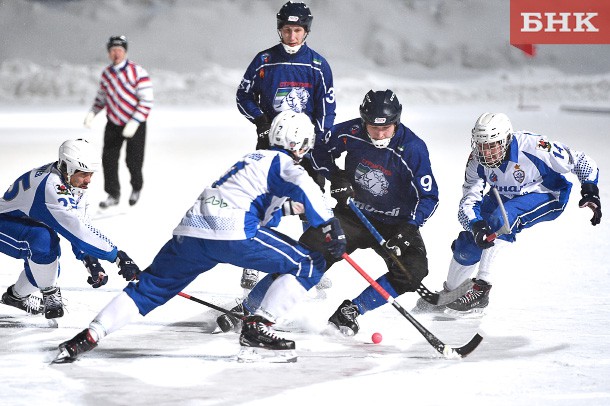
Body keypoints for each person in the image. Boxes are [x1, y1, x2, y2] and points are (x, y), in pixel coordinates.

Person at [53, 111, 347, 364]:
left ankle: (88, 336)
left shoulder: (251, 159)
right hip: (232, 231)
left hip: (192, 230)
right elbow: (305, 187)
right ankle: (258, 326)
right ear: (301, 144)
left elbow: (261, 208)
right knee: (309, 264)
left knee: (149, 288)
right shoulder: (284, 164)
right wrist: (330, 227)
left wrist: (289, 209)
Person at [222, 89, 439, 336]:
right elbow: (318, 148)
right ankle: (248, 308)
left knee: (412, 271)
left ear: (396, 122)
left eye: (386, 128)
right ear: (363, 121)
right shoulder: (352, 132)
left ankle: (352, 311)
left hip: (395, 225)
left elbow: (430, 197)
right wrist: (336, 175)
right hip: (352, 216)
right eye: (373, 127)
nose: (379, 134)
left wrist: (410, 227)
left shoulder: (412, 148)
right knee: (301, 258)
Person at [414, 112, 602, 316]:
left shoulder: (535, 146)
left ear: (506, 140)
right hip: (502, 196)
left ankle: (481, 289)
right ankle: (449, 295)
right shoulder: (476, 159)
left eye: (492, 145)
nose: (486, 152)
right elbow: (469, 199)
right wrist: (475, 224)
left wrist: (590, 190)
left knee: (502, 219)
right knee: (469, 243)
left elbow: (579, 160)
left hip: (544, 193)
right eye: (481, 145)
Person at [235, 1, 336, 290]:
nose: (292, 36)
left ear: (306, 32)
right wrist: (261, 121)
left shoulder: (317, 64)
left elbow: (327, 107)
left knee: (311, 202)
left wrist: (321, 140)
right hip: (272, 144)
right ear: (280, 30)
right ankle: (253, 263)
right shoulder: (265, 60)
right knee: (265, 202)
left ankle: (311, 259)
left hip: (306, 145)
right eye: (287, 30)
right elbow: (243, 96)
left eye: (298, 30)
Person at [0, 139, 142, 320]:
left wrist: (90, 260)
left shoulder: (70, 180)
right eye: (84, 174)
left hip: (21, 224)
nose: (88, 180)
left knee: (47, 265)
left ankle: (16, 297)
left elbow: (81, 224)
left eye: (90, 174)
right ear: (67, 168)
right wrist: (118, 257)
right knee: (43, 241)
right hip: (5, 222)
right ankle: (49, 293)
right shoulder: (51, 188)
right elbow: (78, 231)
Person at [83, 35, 154, 209]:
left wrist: (135, 121)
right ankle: (112, 193)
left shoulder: (137, 72)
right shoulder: (107, 74)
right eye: (113, 50)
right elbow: (101, 98)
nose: (116, 53)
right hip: (113, 123)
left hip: (135, 124)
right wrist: (93, 112)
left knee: (134, 160)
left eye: (120, 50)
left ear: (125, 51)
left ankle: (136, 188)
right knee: (108, 159)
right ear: (109, 52)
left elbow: (147, 100)